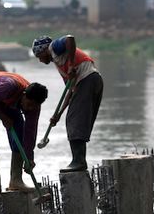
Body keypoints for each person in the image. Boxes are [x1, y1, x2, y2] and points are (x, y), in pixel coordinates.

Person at [32, 34, 103, 172]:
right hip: (91, 82)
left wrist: (71, 65)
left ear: (43, 50)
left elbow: (70, 38)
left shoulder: (54, 48)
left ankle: (78, 161)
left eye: (39, 56)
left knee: (74, 120)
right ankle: (78, 160)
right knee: (77, 120)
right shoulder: (60, 66)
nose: (40, 60)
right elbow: (70, 92)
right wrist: (58, 114)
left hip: (87, 80)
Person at [0, 72, 49, 193]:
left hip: (10, 102)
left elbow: (30, 131)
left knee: (19, 137)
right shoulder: (9, 87)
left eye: (34, 106)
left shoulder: (34, 105)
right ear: (24, 95)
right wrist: (3, 117)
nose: (30, 108)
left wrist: (29, 158)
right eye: (29, 104)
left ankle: (16, 180)